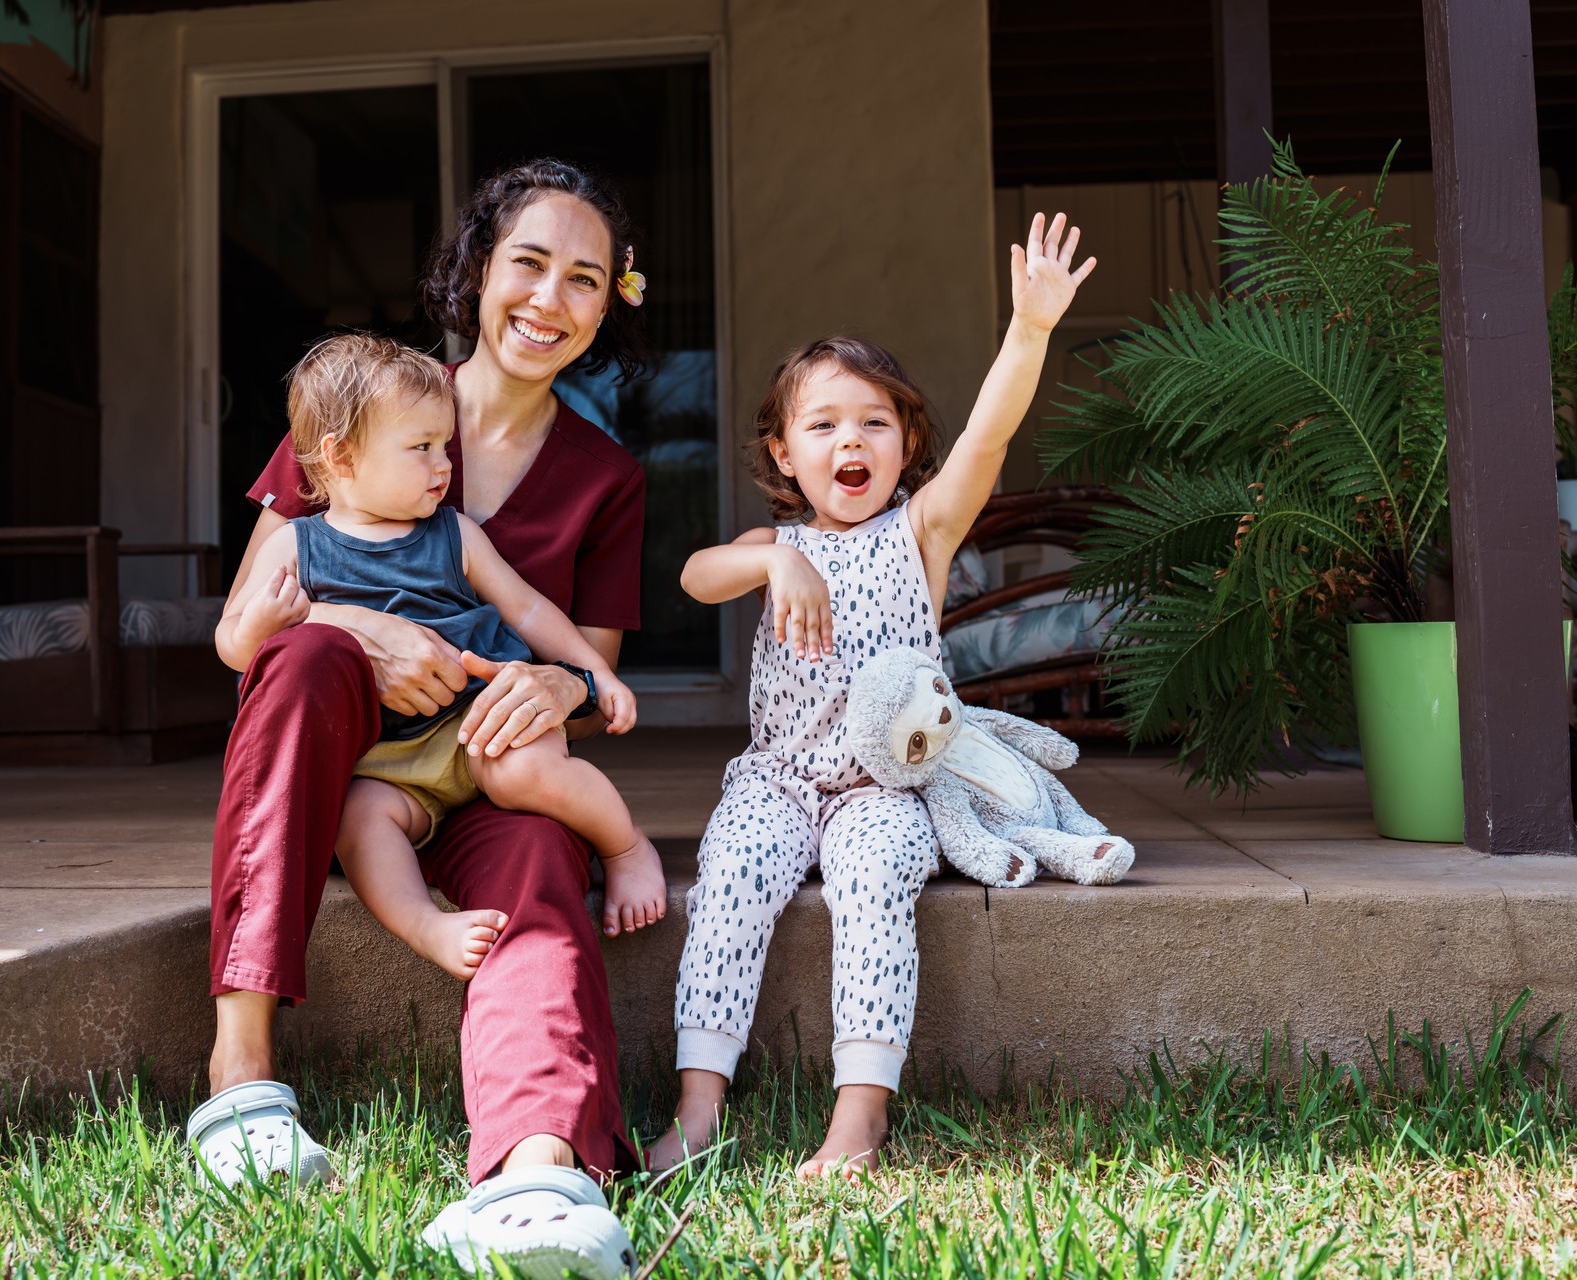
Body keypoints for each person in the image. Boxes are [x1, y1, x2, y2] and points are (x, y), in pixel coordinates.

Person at [189, 159, 652, 1280]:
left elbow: (591, 676)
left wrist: (562, 686)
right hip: (342, 771)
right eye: (529, 263)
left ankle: (538, 1170)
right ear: (478, 269)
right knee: (308, 654)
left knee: (543, 849)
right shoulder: (355, 402)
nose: (550, 300)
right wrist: (365, 629)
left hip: (487, 764)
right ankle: (241, 1078)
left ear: (608, 303)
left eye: (584, 280)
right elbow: (248, 626)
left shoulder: (607, 477)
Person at [648, 213, 1096, 1179]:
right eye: (823, 424)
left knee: (873, 887)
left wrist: (1029, 330)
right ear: (782, 455)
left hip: (884, 792)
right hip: (776, 779)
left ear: (905, 445)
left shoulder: (920, 536)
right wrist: (775, 564)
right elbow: (692, 575)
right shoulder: (774, 547)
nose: (849, 440)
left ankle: (860, 1113)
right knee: (729, 882)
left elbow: (990, 436)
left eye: (874, 422)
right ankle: (697, 1104)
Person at [219, 332, 666, 978]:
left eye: (444, 445)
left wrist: (594, 674)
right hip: (381, 760)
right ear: (340, 458)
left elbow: (529, 609)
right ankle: (426, 927)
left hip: (475, 724)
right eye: (421, 448)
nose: (443, 466)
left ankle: (624, 845)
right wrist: (258, 625)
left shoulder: (454, 534)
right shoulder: (294, 547)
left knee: (522, 771)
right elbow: (236, 646)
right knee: (361, 821)